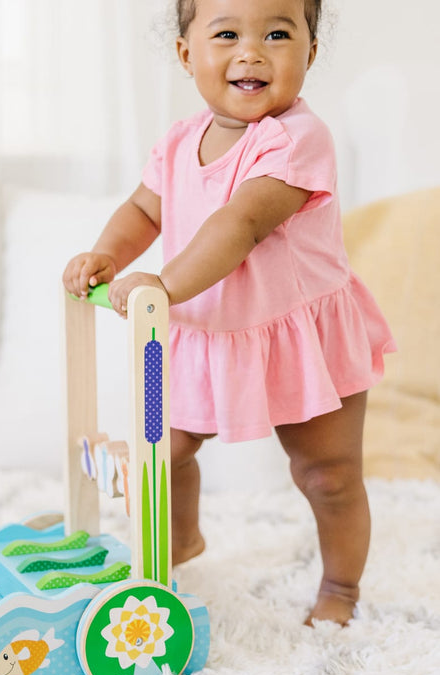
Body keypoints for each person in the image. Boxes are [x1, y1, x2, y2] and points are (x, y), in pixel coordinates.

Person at [61, 0, 396, 626]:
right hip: (205, 331)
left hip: (300, 335)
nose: (252, 51)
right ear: (188, 55)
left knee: (327, 474)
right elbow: (144, 210)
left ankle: (342, 589)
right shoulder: (180, 140)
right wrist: (106, 254)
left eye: (277, 33)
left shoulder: (297, 139)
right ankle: (181, 537)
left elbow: (240, 223)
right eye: (226, 34)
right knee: (165, 454)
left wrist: (160, 284)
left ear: (310, 53)